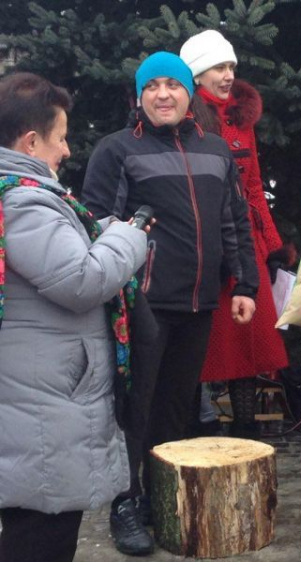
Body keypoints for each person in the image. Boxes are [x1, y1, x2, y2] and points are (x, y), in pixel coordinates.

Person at [81, 52, 259, 555]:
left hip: (199, 303)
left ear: (188, 94)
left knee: (175, 411)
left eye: (173, 85)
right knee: (133, 409)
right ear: (139, 96)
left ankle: (162, 501)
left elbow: (234, 222)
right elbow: (95, 222)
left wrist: (244, 285)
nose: (163, 94)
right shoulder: (116, 151)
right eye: (152, 86)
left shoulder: (217, 151)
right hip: (142, 304)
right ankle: (125, 503)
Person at [0, 73, 148, 562]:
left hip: (39, 400)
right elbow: (81, 281)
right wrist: (130, 238)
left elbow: (60, 258)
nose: (65, 151)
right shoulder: (23, 201)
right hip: (42, 408)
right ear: (31, 140)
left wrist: (101, 230)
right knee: (40, 537)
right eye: (61, 138)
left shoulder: (23, 197)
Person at [180, 30, 289, 438]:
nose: (228, 76)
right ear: (197, 74)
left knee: (247, 345)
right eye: (218, 68)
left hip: (245, 245)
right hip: (202, 246)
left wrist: (273, 245)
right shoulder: (186, 120)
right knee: (199, 347)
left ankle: (247, 434)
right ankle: (191, 436)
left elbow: (255, 185)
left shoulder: (241, 120)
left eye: (231, 67)